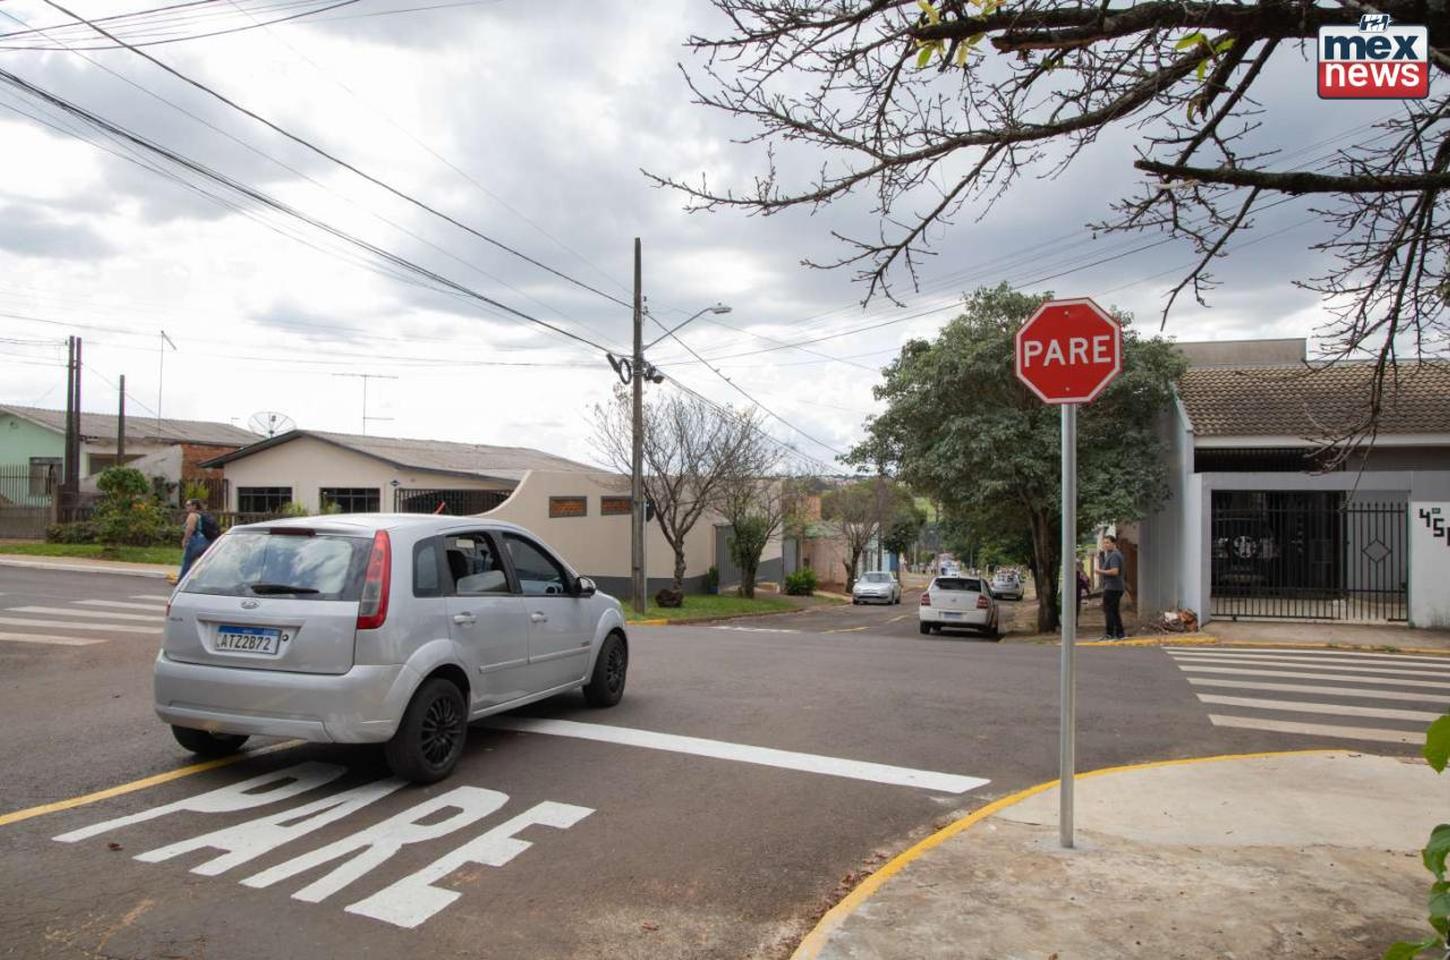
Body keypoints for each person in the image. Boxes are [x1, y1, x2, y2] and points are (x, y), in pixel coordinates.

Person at [1095, 534, 1126, 639]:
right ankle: (1119, 633)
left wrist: (1100, 571)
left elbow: (1114, 571)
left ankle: (1110, 633)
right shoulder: (1113, 555)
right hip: (1115, 587)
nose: (1105, 545)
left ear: (1114, 543)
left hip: (1113, 587)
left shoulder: (1114, 555)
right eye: (1104, 543)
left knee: (1109, 610)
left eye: (1107, 542)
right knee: (1114, 610)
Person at [178, 498, 212, 581]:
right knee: (205, 561)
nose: (186, 507)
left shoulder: (192, 515)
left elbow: (190, 529)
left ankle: (182, 581)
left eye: (188, 505)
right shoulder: (202, 514)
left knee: (187, 561)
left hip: (195, 541)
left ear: (194, 506)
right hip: (205, 541)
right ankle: (208, 579)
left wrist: (185, 540)